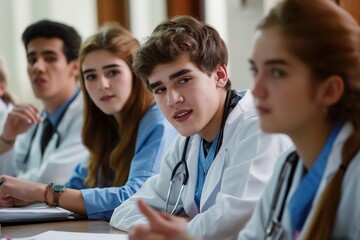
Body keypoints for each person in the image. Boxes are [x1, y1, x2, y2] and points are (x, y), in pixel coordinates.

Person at [128, 0, 360, 239]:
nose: (256, 90)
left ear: (330, 90)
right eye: (255, 71)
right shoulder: (289, 167)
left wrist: (185, 233)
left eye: (277, 73)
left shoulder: (354, 173)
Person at [109, 16, 292, 239]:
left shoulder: (259, 127)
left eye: (183, 80)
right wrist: (184, 228)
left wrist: (177, 229)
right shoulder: (186, 143)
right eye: (160, 90)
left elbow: (235, 220)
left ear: (220, 75)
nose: (172, 100)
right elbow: (125, 212)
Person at [0, 23, 178, 220]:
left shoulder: (158, 120)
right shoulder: (108, 125)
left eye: (112, 72)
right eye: (91, 76)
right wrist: (28, 197)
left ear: (136, 75)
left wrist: (41, 192)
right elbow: (75, 185)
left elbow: (138, 199)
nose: (102, 85)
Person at [0, 20, 88, 184]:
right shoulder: (33, 119)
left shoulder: (90, 115)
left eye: (49, 58)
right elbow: (8, 175)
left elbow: (52, 179)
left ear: (75, 67)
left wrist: (10, 185)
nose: (38, 67)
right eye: (32, 59)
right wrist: (7, 139)